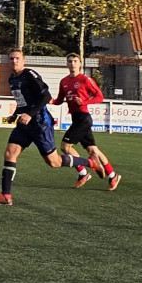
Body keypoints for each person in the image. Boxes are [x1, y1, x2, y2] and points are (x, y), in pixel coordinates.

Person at [0, 48, 94, 206]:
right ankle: (5, 195)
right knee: (9, 154)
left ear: (23, 61)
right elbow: (23, 102)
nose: (14, 61)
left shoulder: (29, 74)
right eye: (11, 59)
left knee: (54, 162)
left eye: (17, 58)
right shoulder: (12, 79)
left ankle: (89, 162)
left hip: (40, 123)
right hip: (24, 124)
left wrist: (30, 114)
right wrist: (15, 114)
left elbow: (46, 96)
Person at [53, 52, 121, 192]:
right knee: (93, 149)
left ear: (80, 64)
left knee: (65, 147)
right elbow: (59, 100)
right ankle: (112, 175)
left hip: (83, 118)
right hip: (76, 118)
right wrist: (50, 101)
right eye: (70, 61)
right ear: (67, 64)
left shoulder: (85, 80)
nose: (72, 64)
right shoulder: (64, 81)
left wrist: (84, 101)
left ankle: (83, 173)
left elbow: (99, 97)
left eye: (75, 61)